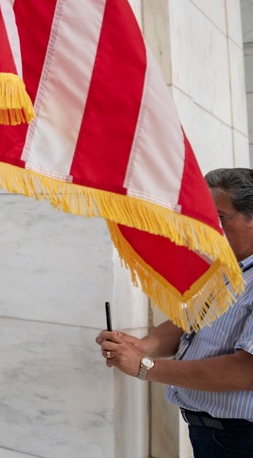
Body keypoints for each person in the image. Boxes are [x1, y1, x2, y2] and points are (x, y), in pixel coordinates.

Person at [97, 167, 253, 457]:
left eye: (218, 218)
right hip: (212, 432)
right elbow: (189, 323)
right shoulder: (225, 270)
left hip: (242, 437)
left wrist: (145, 366)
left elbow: (246, 370)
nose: (208, 228)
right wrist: (143, 346)